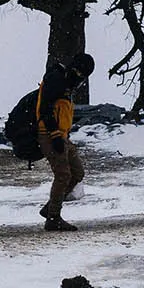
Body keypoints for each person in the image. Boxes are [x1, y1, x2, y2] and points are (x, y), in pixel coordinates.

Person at [37, 52, 97, 231]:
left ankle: (50, 208)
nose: (80, 80)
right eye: (80, 75)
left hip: (63, 136)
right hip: (49, 134)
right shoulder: (56, 80)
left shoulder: (67, 84)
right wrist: (54, 134)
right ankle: (53, 218)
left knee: (77, 172)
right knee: (63, 175)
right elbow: (46, 107)